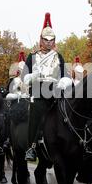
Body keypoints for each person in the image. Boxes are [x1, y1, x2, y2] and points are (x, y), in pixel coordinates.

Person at [22, 12, 71, 161]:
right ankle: (31, 147)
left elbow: (66, 75)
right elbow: (24, 78)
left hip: (56, 93)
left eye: (51, 40)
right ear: (41, 40)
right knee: (37, 113)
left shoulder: (58, 56)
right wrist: (33, 76)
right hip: (39, 92)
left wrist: (64, 81)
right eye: (46, 39)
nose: (49, 42)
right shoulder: (33, 56)